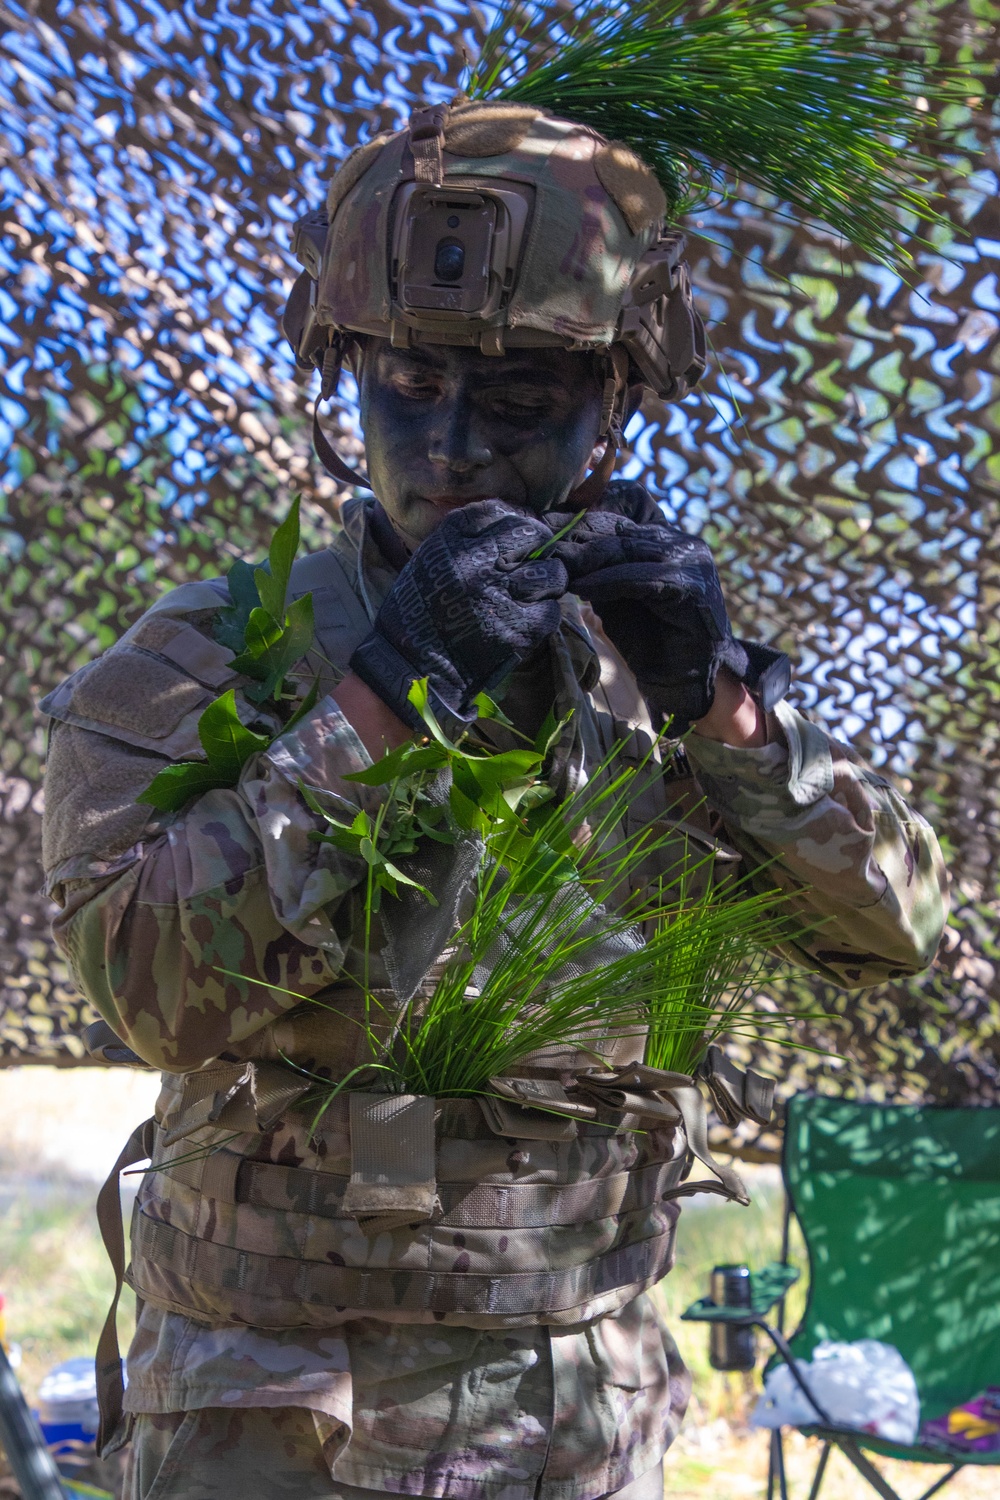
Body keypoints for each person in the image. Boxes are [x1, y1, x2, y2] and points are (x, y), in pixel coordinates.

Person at [40, 97, 948, 1500]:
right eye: (408, 382)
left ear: (615, 405)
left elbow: (898, 930)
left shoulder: (655, 680)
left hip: (577, 1415)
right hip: (276, 1420)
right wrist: (384, 699)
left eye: (522, 401)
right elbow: (147, 984)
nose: (454, 441)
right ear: (348, 370)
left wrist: (724, 707)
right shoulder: (212, 656)